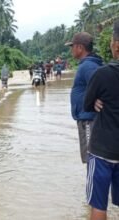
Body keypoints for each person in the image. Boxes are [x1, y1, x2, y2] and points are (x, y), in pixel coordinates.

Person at [83, 20, 119, 220]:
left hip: (102, 151)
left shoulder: (102, 74)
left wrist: (96, 101)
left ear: (115, 45)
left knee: (98, 206)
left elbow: (87, 105)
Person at [66, 32, 103, 164]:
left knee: (91, 158)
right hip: (87, 118)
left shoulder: (88, 66)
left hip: (89, 120)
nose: (71, 50)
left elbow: (101, 88)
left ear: (80, 48)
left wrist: (98, 99)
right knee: (92, 158)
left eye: (72, 46)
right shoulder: (88, 64)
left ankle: (92, 184)